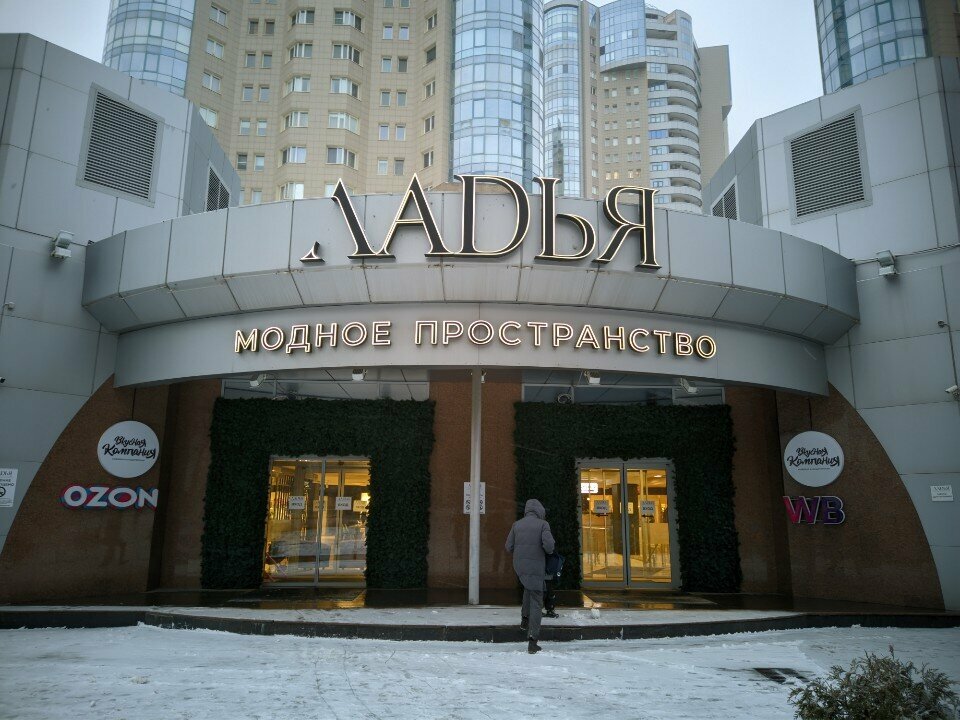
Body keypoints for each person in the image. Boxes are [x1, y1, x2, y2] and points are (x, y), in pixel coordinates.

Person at [505, 498, 555, 654]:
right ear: (540, 511)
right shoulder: (543, 525)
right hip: (536, 567)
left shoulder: (516, 525)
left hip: (520, 566)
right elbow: (549, 547)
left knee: (529, 588)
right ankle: (533, 640)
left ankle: (524, 619)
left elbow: (508, 546)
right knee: (537, 601)